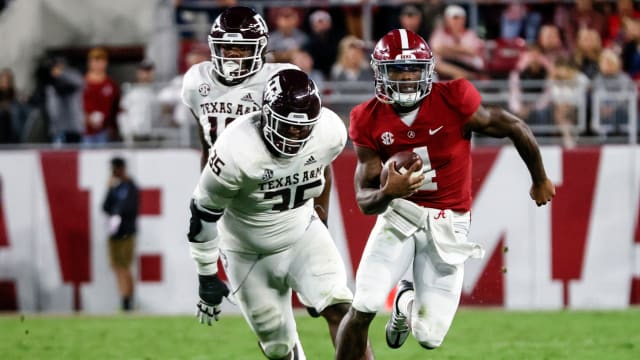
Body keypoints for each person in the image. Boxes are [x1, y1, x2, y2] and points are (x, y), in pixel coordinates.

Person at [334, 29, 555, 359]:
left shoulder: (455, 98)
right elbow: (364, 200)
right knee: (363, 304)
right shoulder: (365, 118)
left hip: (448, 222)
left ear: (428, 70)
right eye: (397, 69)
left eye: (413, 70)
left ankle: (404, 302)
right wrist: (387, 193)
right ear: (380, 73)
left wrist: (540, 178)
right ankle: (397, 301)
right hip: (399, 216)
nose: (407, 78)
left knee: (429, 337)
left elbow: (513, 126)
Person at [181, 6, 360, 352]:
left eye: (242, 47)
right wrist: (211, 184)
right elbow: (207, 142)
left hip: (292, 213)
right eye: (226, 47)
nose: (233, 55)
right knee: (278, 346)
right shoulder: (197, 84)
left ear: (261, 49)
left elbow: (316, 155)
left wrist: (321, 216)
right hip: (241, 217)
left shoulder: (285, 83)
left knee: (341, 308)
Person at [102, 157, 139, 312]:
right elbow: (105, 207)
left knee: (123, 266)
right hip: (114, 232)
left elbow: (130, 208)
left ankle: (127, 299)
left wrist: (118, 212)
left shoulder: (130, 186)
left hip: (126, 232)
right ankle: (126, 298)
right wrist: (109, 189)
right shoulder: (115, 188)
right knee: (117, 265)